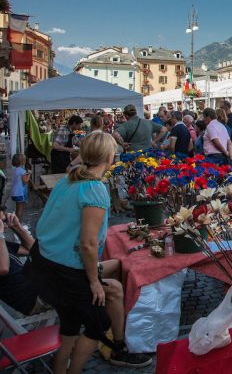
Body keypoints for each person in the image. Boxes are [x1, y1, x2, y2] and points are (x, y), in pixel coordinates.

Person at [29, 132, 151, 371]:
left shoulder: (68, 179)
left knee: (70, 325)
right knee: (97, 325)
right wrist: (94, 281)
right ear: (110, 156)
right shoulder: (94, 189)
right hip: (65, 271)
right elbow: (88, 243)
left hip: (45, 263)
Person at [0, 212, 47, 316]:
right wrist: (0, 236)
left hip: (41, 287)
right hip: (34, 300)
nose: (4, 226)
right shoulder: (1, 243)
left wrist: (17, 227)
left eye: (3, 222)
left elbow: (33, 250)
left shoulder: (4, 244)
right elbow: (3, 269)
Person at [10, 153, 30, 221]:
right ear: (22, 161)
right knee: (20, 210)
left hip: (14, 193)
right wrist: (29, 174)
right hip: (20, 193)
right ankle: (19, 225)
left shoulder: (14, 170)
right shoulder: (22, 171)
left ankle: (16, 223)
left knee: (17, 209)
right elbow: (25, 181)